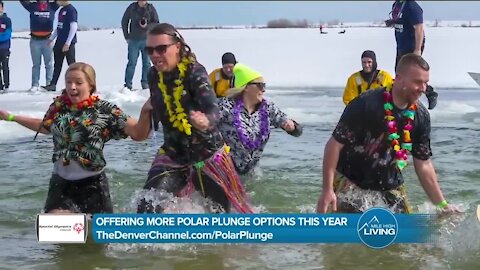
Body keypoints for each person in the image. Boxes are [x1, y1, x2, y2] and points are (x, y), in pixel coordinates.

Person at [316, 54, 460, 214]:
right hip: (352, 180)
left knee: (405, 235)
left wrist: (442, 205)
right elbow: (334, 145)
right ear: (399, 79)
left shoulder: (421, 116)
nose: (423, 89)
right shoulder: (365, 104)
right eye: (418, 82)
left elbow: (423, 163)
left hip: (390, 182)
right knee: (344, 235)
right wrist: (327, 190)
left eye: (426, 83)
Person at [0, 62, 152, 214]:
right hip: (61, 184)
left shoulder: (105, 110)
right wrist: (11, 117)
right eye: (68, 82)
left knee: (95, 236)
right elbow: (46, 127)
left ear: (90, 85)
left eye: (78, 82)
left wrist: (146, 111)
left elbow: (138, 133)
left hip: (93, 185)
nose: (72, 87)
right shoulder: (58, 106)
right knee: (55, 228)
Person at [136, 23, 253, 214]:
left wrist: (206, 120)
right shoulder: (152, 75)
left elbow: (212, 107)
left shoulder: (194, 73)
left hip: (207, 155)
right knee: (147, 206)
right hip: (173, 154)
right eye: (150, 50)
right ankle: (157, 242)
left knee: (220, 213)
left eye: (161, 48)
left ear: (177, 47)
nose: (155, 55)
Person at [218, 63, 303, 176]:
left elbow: (298, 132)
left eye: (264, 86)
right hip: (224, 172)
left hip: (253, 173)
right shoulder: (226, 106)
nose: (263, 90)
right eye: (260, 85)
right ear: (246, 87)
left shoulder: (268, 108)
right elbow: (203, 127)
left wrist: (292, 127)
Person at [385, 0, 438, 110]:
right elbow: (401, 20)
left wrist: (417, 50)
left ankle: (427, 94)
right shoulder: (397, 5)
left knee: (409, 75)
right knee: (399, 72)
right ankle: (403, 100)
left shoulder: (412, 7)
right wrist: (391, 22)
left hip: (412, 45)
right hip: (401, 45)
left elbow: (419, 28)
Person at [20, 0, 60, 92]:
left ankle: (49, 83)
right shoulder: (32, 6)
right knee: (36, 64)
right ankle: (35, 84)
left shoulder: (52, 6)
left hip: (48, 40)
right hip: (35, 40)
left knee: (49, 64)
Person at [121, 0, 159, 90]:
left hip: (147, 40)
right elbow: (124, 21)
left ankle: (145, 84)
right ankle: (128, 85)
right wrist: (127, 36)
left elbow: (156, 23)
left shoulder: (150, 8)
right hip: (133, 40)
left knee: (147, 63)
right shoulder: (132, 7)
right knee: (131, 63)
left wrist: (147, 26)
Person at [43, 1, 77, 92]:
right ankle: (53, 84)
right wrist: (51, 38)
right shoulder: (61, 10)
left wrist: (68, 43)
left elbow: (73, 27)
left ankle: (75, 84)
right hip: (59, 41)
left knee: (72, 65)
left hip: (68, 42)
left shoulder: (71, 10)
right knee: (57, 64)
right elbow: (59, 27)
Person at [0, 1, 11, 93]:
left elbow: (7, 34)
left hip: (4, 47)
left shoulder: (7, 20)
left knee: (5, 66)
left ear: (2, 8)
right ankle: (0, 86)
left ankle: (6, 85)